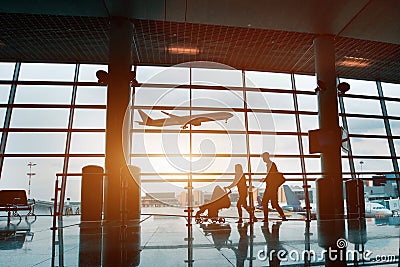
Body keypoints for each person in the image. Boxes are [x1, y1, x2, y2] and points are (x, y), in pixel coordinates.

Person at [261, 152, 287, 221]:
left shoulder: (270, 164)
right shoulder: (270, 164)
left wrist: (265, 179)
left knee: (265, 202)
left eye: (263, 157)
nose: (263, 159)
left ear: (267, 157)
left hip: (270, 187)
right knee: (274, 203)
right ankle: (283, 216)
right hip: (272, 187)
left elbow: (271, 176)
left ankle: (266, 218)